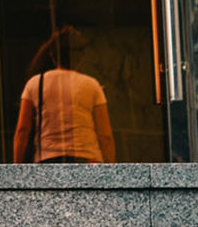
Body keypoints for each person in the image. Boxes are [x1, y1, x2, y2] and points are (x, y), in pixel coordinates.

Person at [9, 26, 119, 164]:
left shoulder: (35, 83)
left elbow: (22, 130)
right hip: (88, 161)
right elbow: (105, 135)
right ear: (79, 56)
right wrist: (112, 170)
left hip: (48, 162)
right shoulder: (92, 85)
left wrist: (15, 168)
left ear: (53, 56)